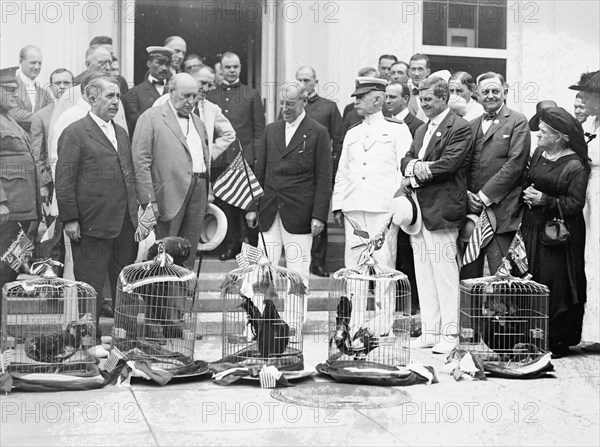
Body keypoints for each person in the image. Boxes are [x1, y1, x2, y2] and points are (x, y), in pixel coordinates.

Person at [54, 76, 138, 324]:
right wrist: (70, 219)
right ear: (91, 99)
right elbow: (64, 179)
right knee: (89, 286)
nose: (115, 102)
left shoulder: (121, 132)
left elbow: (129, 174)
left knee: (124, 286)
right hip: (91, 224)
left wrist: (139, 212)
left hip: (124, 224)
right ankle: (90, 341)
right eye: (109, 96)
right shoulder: (75, 132)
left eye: (118, 97)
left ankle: (124, 339)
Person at [400, 76, 472, 354]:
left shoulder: (459, 127)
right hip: (420, 213)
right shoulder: (421, 130)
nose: (423, 103)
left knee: (444, 275)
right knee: (425, 274)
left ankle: (450, 335)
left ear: (443, 98)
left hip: (442, 211)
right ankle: (431, 331)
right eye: (421, 98)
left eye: (428, 99)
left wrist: (416, 174)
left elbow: (449, 164)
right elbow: (405, 159)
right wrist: (415, 166)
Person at [246, 80, 332, 296]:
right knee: (261, 269)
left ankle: (295, 326)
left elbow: (324, 178)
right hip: (268, 211)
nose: (284, 109)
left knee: (297, 272)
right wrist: (251, 206)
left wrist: (319, 216)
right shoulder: (271, 130)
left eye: (290, 104)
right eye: (282, 103)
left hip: (300, 213)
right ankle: (257, 323)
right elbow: (260, 171)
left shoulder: (318, 132)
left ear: (304, 101)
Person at [522, 107, 589, 358]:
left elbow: (574, 204)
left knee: (556, 285)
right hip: (533, 228)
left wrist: (546, 200)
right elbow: (532, 180)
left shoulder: (575, 166)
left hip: (559, 236)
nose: (537, 136)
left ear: (559, 137)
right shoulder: (539, 152)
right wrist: (528, 195)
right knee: (533, 280)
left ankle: (557, 340)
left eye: (542, 132)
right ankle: (532, 336)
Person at [132, 73, 211, 270]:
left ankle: (181, 298)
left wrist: (208, 192)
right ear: (170, 92)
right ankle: (160, 299)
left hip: (198, 190)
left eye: (194, 96)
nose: (191, 101)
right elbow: (140, 162)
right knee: (163, 253)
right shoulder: (151, 117)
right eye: (186, 96)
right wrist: (149, 201)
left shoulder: (197, 122)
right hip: (167, 195)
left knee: (188, 251)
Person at [333, 77, 412, 269]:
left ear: (377, 99)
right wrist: (338, 204)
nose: (356, 101)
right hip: (354, 207)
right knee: (354, 265)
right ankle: (355, 301)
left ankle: (383, 302)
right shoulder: (353, 132)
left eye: (361, 97)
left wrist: (397, 204)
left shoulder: (397, 130)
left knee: (383, 263)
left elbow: (403, 171)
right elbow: (343, 170)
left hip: (382, 208)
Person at [461, 72, 530, 278]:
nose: (490, 95)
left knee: (501, 274)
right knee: (469, 274)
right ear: (477, 96)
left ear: (505, 92)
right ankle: (468, 311)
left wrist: (483, 197)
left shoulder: (517, 120)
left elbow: (516, 164)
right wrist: (466, 194)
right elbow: (462, 164)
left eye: (495, 91)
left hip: (502, 212)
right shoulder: (471, 125)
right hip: (471, 212)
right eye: (485, 92)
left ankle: (502, 311)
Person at [207, 52, 265, 260]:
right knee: (226, 205)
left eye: (235, 67)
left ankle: (254, 248)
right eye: (228, 67)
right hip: (221, 159)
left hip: (245, 158)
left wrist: (256, 157)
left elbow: (259, 131)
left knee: (248, 205)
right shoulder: (212, 96)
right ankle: (231, 246)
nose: (232, 70)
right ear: (221, 69)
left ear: (240, 68)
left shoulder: (250, 94)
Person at [289, 65, 345, 277]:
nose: (304, 84)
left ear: (315, 82)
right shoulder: (290, 106)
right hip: (295, 174)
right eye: (300, 80)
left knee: (318, 216)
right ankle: (298, 261)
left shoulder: (328, 107)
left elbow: (338, 141)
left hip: (319, 173)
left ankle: (318, 263)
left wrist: (330, 169)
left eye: (307, 80)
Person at [0, 68, 41, 289]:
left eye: (16, 89)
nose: (15, 95)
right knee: (3, 265)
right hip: (8, 210)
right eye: (9, 90)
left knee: (12, 264)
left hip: (23, 209)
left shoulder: (9, 118)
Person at [569, 70, 600, 352]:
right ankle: (594, 331)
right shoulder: (589, 123)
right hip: (589, 192)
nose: (584, 99)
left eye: (588, 94)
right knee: (590, 257)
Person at [155, 65, 236, 162]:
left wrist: (209, 154)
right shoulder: (165, 101)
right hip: (170, 163)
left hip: (198, 167)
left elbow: (229, 134)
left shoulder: (211, 109)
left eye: (210, 85)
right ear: (191, 80)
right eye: (203, 83)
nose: (206, 89)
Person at [30, 68, 74, 207]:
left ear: (73, 85)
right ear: (50, 87)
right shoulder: (41, 116)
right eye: (57, 83)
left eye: (66, 83)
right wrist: (43, 184)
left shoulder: (83, 111)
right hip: (53, 181)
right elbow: (37, 155)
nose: (62, 86)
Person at [123, 46, 173, 133]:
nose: (164, 68)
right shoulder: (135, 93)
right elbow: (138, 124)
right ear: (149, 64)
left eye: (167, 64)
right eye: (159, 63)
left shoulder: (174, 91)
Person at [10, 45, 53, 132]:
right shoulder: (9, 86)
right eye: (33, 62)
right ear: (21, 62)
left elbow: (50, 115)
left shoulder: (44, 93)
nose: (37, 67)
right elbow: (13, 113)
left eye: (40, 63)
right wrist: (40, 119)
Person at [407, 53, 431, 122]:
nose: (416, 74)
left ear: (428, 72)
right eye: (413, 69)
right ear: (409, 72)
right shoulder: (403, 92)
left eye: (420, 69)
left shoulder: (435, 92)